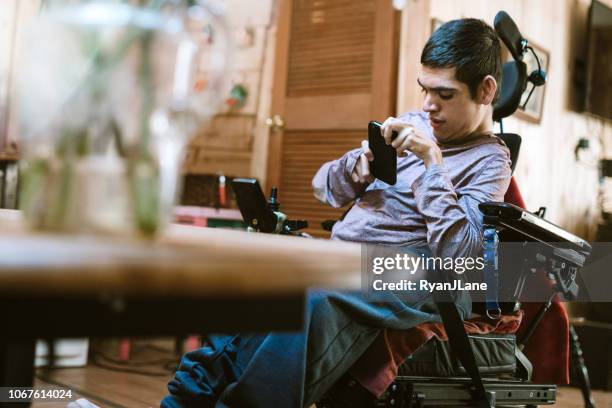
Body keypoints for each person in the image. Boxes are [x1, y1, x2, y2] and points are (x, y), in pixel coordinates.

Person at [161, 17, 511, 408]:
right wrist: (355, 168)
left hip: (422, 270)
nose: (428, 106)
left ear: (485, 90)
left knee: (315, 297)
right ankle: (186, 399)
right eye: (424, 90)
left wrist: (432, 162)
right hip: (349, 251)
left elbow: (459, 258)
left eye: (444, 94)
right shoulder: (411, 123)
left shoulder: (490, 161)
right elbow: (322, 187)